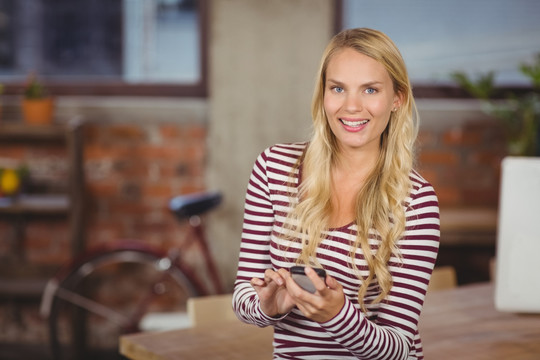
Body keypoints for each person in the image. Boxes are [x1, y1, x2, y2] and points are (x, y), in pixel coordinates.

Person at [232, 28, 440, 360]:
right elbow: (244, 295)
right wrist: (268, 307)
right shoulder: (273, 168)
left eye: (370, 90)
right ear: (323, 94)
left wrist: (338, 317)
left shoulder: (416, 201)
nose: (351, 106)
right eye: (338, 88)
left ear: (397, 98)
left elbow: (399, 347)